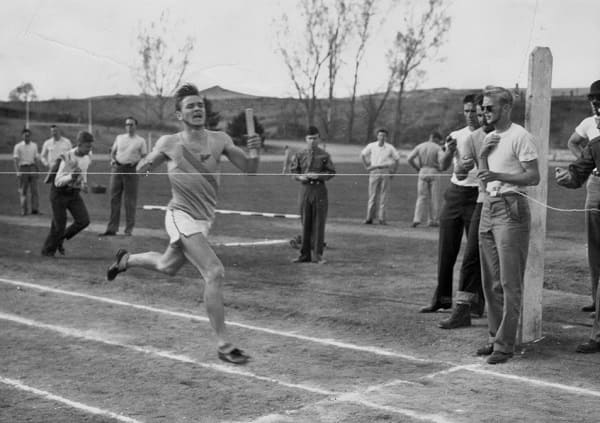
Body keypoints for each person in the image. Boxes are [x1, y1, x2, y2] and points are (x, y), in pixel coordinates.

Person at [105, 83, 261, 365]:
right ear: (180, 115)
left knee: (167, 266)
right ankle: (224, 344)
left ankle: (126, 260)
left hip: (203, 220)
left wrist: (255, 151)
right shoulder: (170, 142)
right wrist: (147, 164)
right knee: (214, 271)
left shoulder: (220, 139)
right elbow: (142, 167)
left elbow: (250, 169)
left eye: (200, 104)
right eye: (190, 106)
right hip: (179, 214)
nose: (197, 109)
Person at [475, 86, 539, 364]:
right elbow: (483, 178)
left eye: (490, 108)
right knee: (490, 281)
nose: (485, 112)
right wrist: (482, 155)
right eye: (484, 108)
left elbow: (533, 176)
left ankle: (505, 345)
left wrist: (498, 173)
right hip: (489, 207)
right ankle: (494, 337)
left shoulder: (520, 136)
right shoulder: (489, 137)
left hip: (511, 209)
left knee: (509, 281)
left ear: (505, 108)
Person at [420, 94, 480, 313]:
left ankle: (473, 303)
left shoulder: (488, 135)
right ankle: (442, 299)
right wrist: (451, 150)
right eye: (466, 111)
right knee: (446, 249)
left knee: (474, 254)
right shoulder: (456, 135)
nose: (470, 115)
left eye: (474, 111)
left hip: (477, 195)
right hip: (455, 194)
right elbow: (443, 164)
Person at [438, 96, 492, 329]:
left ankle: (479, 305)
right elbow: (454, 170)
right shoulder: (465, 137)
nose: (474, 116)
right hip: (467, 196)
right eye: (470, 112)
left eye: (479, 112)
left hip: (487, 199)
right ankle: (448, 302)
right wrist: (455, 158)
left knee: (482, 255)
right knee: (458, 252)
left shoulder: (501, 135)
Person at [555, 89, 600, 353]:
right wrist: (566, 177)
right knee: (597, 262)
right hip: (596, 201)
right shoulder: (595, 144)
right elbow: (578, 173)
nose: (597, 117)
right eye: (596, 110)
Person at [41, 131, 94, 257]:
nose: (90, 149)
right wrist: (71, 177)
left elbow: (83, 175)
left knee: (84, 220)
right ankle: (47, 252)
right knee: (59, 225)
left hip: (73, 194)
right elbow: (58, 182)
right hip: (59, 194)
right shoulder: (67, 158)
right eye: (87, 146)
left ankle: (60, 239)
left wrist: (84, 185)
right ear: (79, 144)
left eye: (91, 146)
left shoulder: (86, 158)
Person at [290, 126, 335, 264]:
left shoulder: (325, 155)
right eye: (310, 138)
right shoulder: (299, 154)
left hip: (319, 190)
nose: (312, 141)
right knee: (305, 222)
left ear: (319, 139)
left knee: (318, 223)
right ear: (306, 139)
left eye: (315, 138)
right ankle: (304, 255)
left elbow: (331, 172)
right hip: (305, 190)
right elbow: (293, 172)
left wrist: (319, 175)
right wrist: (300, 177)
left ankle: (317, 256)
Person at [100, 116, 147, 236]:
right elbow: (113, 152)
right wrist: (112, 160)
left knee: (130, 201)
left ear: (136, 126)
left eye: (131, 124)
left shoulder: (140, 141)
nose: (129, 127)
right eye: (127, 124)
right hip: (117, 169)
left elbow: (144, 156)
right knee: (114, 199)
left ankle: (128, 229)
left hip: (131, 170)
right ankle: (112, 228)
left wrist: (138, 164)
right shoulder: (119, 138)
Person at [360, 128, 399, 225]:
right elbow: (363, 155)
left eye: (384, 136)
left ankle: (382, 218)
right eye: (380, 135)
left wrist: (393, 172)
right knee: (372, 195)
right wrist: (367, 167)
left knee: (384, 195)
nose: (382, 137)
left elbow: (397, 159)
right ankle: (369, 218)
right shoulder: (372, 146)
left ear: (386, 137)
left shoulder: (390, 147)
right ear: (377, 136)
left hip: (385, 171)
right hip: (374, 171)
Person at [407, 131, 444, 227]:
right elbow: (442, 160)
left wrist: (416, 167)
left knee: (421, 197)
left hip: (422, 170)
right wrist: (441, 168)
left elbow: (409, 158)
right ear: (436, 138)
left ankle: (417, 219)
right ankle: (433, 220)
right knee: (434, 197)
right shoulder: (437, 148)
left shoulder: (420, 146)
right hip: (434, 171)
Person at [13, 128, 41, 216]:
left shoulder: (34, 145)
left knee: (34, 191)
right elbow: (16, 160)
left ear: (30, 136)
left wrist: (37, 170)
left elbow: (36, 159)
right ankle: (24, 210)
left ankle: (35, 209)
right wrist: (18, 172)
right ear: (22, 136)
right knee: (23, 191)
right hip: (23, 168)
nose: (27, 137)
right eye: (25, 136)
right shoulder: (18, 146)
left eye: (28, 136)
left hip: (32, 167)